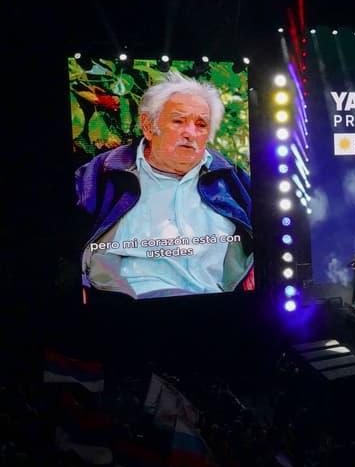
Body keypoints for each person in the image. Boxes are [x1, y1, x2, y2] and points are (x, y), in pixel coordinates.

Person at [74, 70, 253, 299]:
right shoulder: (101, 175)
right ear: (148, 127)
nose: (190, 133)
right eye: (178, 121)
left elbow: (269, 230)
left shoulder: (231, 178)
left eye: (201, 125)